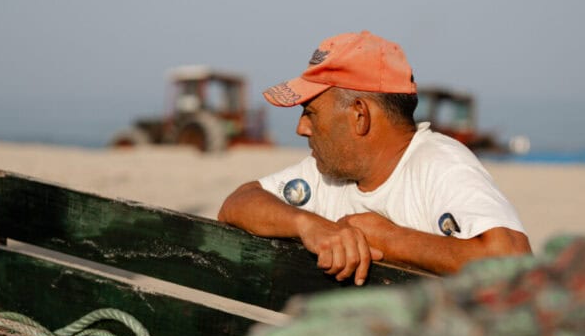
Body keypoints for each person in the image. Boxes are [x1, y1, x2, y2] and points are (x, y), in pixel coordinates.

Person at [218, 30, 531, 284]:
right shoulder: (327, 171)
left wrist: (388, 239)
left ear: (359, 115)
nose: (302, 128)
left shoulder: (440, 164)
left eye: (310, 113)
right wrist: (308, 224)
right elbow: (239, 201)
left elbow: (514, 262)